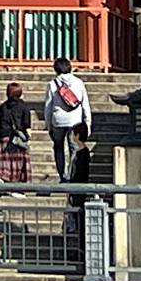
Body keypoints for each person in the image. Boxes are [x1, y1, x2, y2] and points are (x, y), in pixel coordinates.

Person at [44, 57, 93, 185]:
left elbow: (48, 107)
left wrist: (48, 125)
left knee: (58, 148)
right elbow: (85, 105)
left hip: (58, 121)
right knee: (74, 149)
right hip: (75, 121)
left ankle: (63, 175)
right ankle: (73, 174)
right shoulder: (79, 82)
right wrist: (87, 123)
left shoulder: (53, 84)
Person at [0, 81, 33, 184]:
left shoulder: (3, 107)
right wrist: (28, 137)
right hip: (18, 138)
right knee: (19, 162)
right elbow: (27, 124)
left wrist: (0, 134)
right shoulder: (24, 107)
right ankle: (18, 179)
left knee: (5, 160)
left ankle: (3, 176)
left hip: (4, 136)